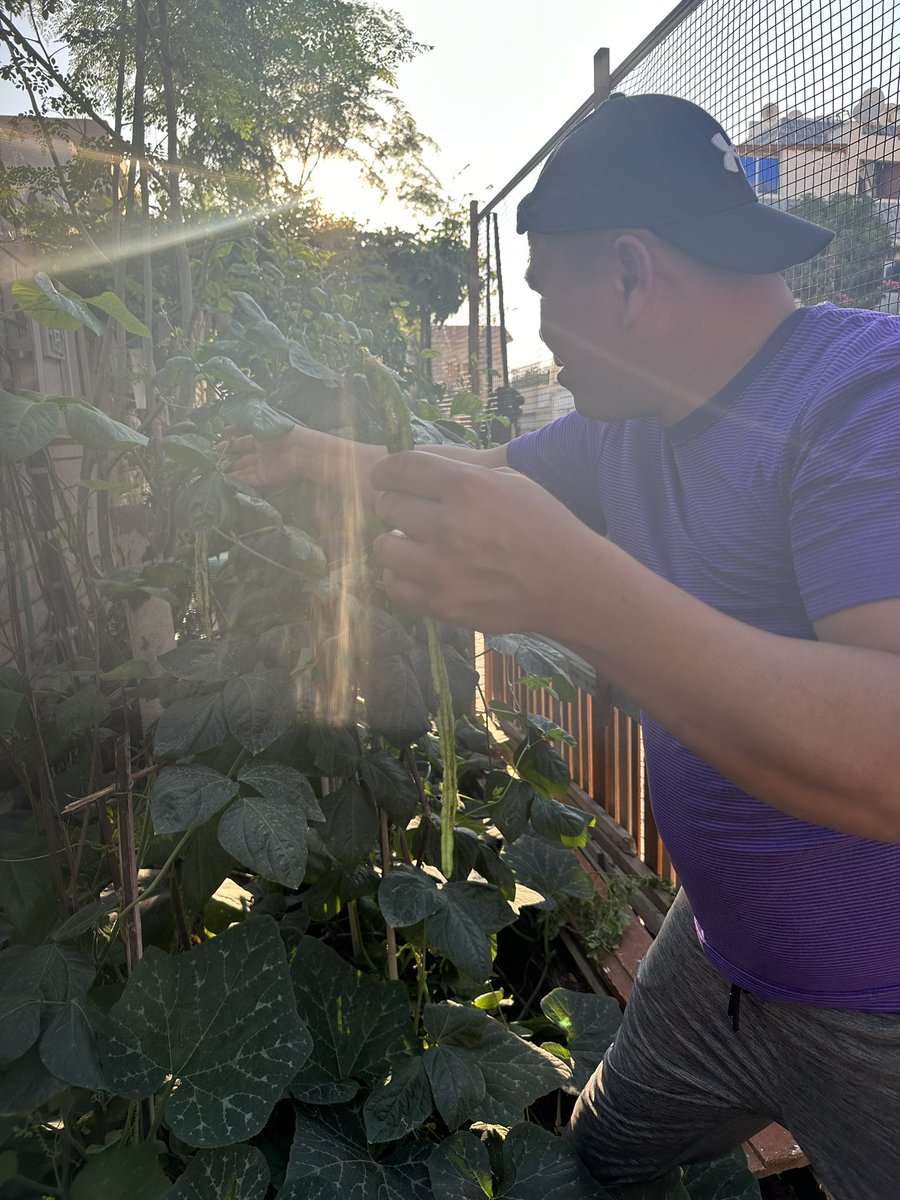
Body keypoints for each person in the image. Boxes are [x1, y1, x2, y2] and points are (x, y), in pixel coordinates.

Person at [227, 94, 900, 1199]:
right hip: (718, 956)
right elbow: (478, 481)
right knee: (589, 1163)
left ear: (630, 275)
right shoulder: (630, 424)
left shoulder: (867, 398)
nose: (538, 332)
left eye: (544, 294)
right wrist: (302, 453)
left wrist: (575, 590)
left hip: (880, 1018)